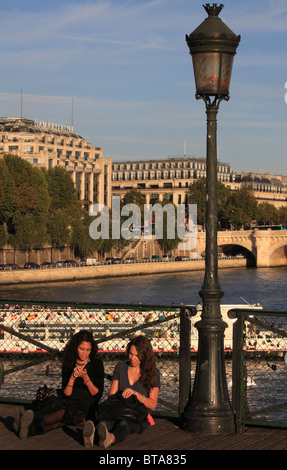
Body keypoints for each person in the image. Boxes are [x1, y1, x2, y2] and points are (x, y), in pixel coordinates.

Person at [19, 330, 104, 439]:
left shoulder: (97, 364)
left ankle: (29, 423)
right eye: (81, 349)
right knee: (60, 419)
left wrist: (86, 378)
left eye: (88, 350)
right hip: (70, 400)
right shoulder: (69, 363)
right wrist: (72, 379)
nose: (85, 353)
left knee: (62, 415)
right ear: (75, 348)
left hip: (87, 403)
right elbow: (66, 394)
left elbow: (97, 394)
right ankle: (28, 429)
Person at [83, 334, 160, 448]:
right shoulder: (121, 367)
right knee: (106, 423)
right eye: (130, 353)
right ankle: (95, 434)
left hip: (137, 415)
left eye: (137, 356)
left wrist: (136, 395)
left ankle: (109, 438)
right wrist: (121, 396)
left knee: (125, 425)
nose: (132, 358)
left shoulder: (154, 372)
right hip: (119, 409)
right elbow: (111, 395)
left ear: (145, 355)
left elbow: (152, 404)